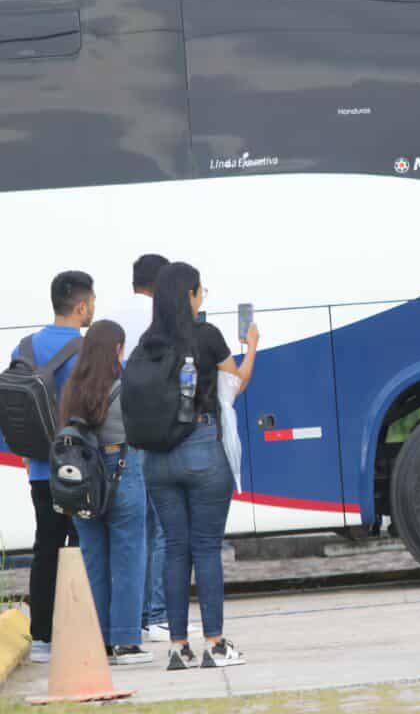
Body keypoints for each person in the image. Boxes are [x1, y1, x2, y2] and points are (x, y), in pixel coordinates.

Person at [140, 263, 259, 670]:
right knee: (205, 547)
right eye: (200, 290)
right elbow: (235, 386)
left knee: (175, 548)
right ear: (190, 295)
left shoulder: (146, 343)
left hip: (156, 459)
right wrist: (252, 346)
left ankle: (177, 648)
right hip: (202, 448)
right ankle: (216, 644)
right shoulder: (206, 336)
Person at [59, 320, 152, 664]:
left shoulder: (72, 390)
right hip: (121, 471)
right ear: (116, 349)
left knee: (94, 559)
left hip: (83, 481)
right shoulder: (123, 388)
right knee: (128, 558)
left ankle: (100, 643)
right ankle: (127, 642)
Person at [17, 271, 95, 664]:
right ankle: (84, 630)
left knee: (45, 547)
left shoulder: (26, 345)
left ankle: (43, 638)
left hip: (40, 468)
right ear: (81, 306)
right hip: (80, 468)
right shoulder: (88, 348)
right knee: (85, 546)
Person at [110, 253, 170, 643]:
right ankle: (159, 615)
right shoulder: (162, 316)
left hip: (120, 433)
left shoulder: (111, 317)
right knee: (162, 526)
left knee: (137, 528)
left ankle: (140, 616)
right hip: (155, 431)